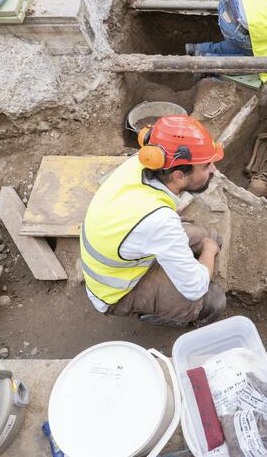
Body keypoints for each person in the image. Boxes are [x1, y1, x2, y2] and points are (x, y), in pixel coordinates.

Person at [80, 115, 226, 327]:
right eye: (205, 166)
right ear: (178, 176)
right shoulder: (160, 221)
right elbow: (196, 287)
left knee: (204, 236)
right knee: (212, 300)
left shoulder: (139, 164)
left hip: (128, 247)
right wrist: (209, 251)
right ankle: (162, 316)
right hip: (116, 290)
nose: (213, 169)